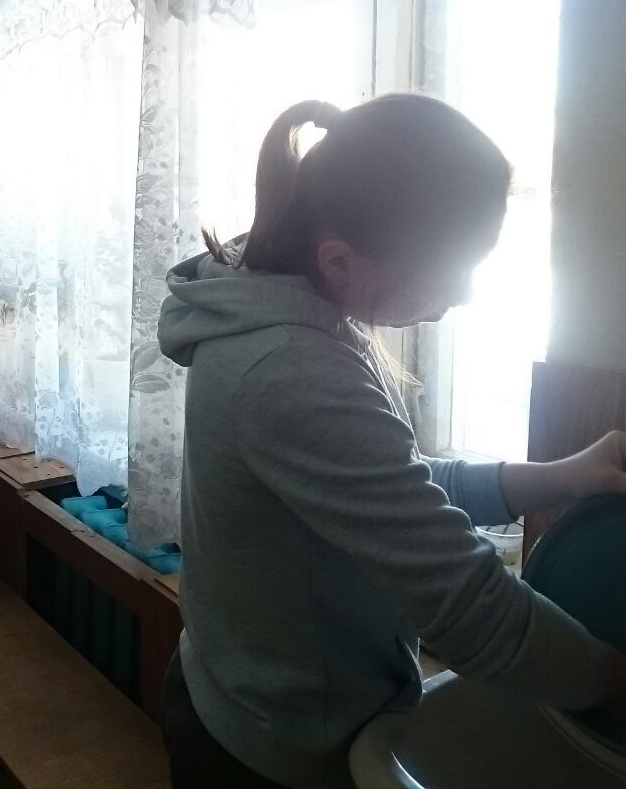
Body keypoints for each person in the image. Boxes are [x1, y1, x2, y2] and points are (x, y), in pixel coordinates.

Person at [158, 94, 626, 789]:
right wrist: (612, 680)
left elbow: (395, 483)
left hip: (245, 698)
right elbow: (465, 605)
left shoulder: (284, 309)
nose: (464, 294)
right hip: (276, 750)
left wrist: (559, 476)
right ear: (340, 260)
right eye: (452, 268)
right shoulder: (290, 369)